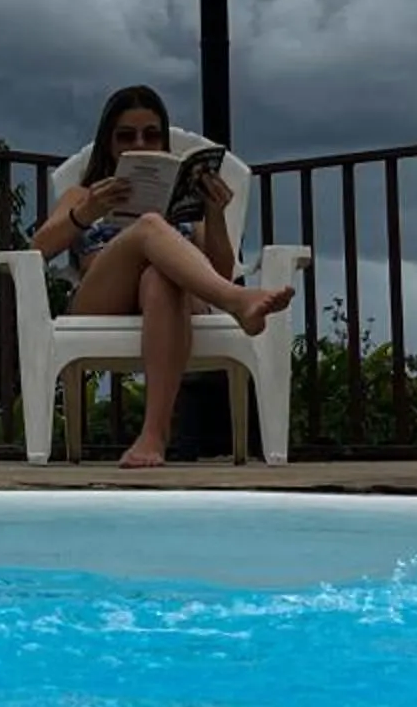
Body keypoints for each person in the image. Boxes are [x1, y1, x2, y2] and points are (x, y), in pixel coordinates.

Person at [32, 82, 298, 470]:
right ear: (108, 142)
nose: (139, 143)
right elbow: (38, 248)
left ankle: (153, 436)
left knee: (161, 276)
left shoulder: (184, 200)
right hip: (102, 298)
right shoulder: (82, 195)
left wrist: (214, 214)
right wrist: (87, 213)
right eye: (126, 135)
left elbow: (220, 268)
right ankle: (238, 301)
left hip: (173, 299)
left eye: (151, 134)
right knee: (151, 227)